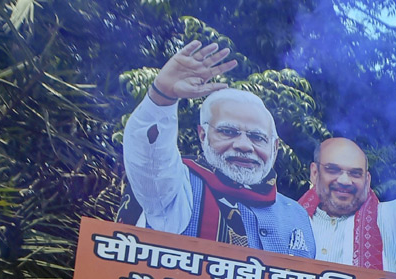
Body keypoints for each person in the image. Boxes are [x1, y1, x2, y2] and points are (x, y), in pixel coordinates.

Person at [121, 40, 314, 256]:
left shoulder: (297, 214)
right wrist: (162, 97)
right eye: (228, 132)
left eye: (257, 137)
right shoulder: (177, 188)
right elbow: (149, 158)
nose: (243, 145)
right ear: (203, 135)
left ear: (275, 147)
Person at [300, 83, 396, 273]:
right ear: (314, 173)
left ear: (367, 180)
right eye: (333, 170)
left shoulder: (390, 221)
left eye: (355, 173)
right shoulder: (288, 221)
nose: (344, 181)